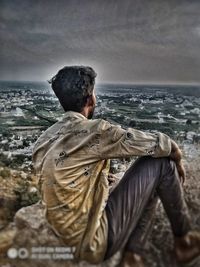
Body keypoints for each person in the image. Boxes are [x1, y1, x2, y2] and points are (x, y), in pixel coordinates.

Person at [32, 66, 200, 267]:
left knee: (147, 181)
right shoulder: (95, 131)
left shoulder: (44, 139)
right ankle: (184, 242)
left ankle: (132, 257)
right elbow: (160, 144)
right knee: (161, 163)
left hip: (65, 235)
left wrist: (101, 182)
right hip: (92, 242)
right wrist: (178, 159)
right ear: (90, 100)